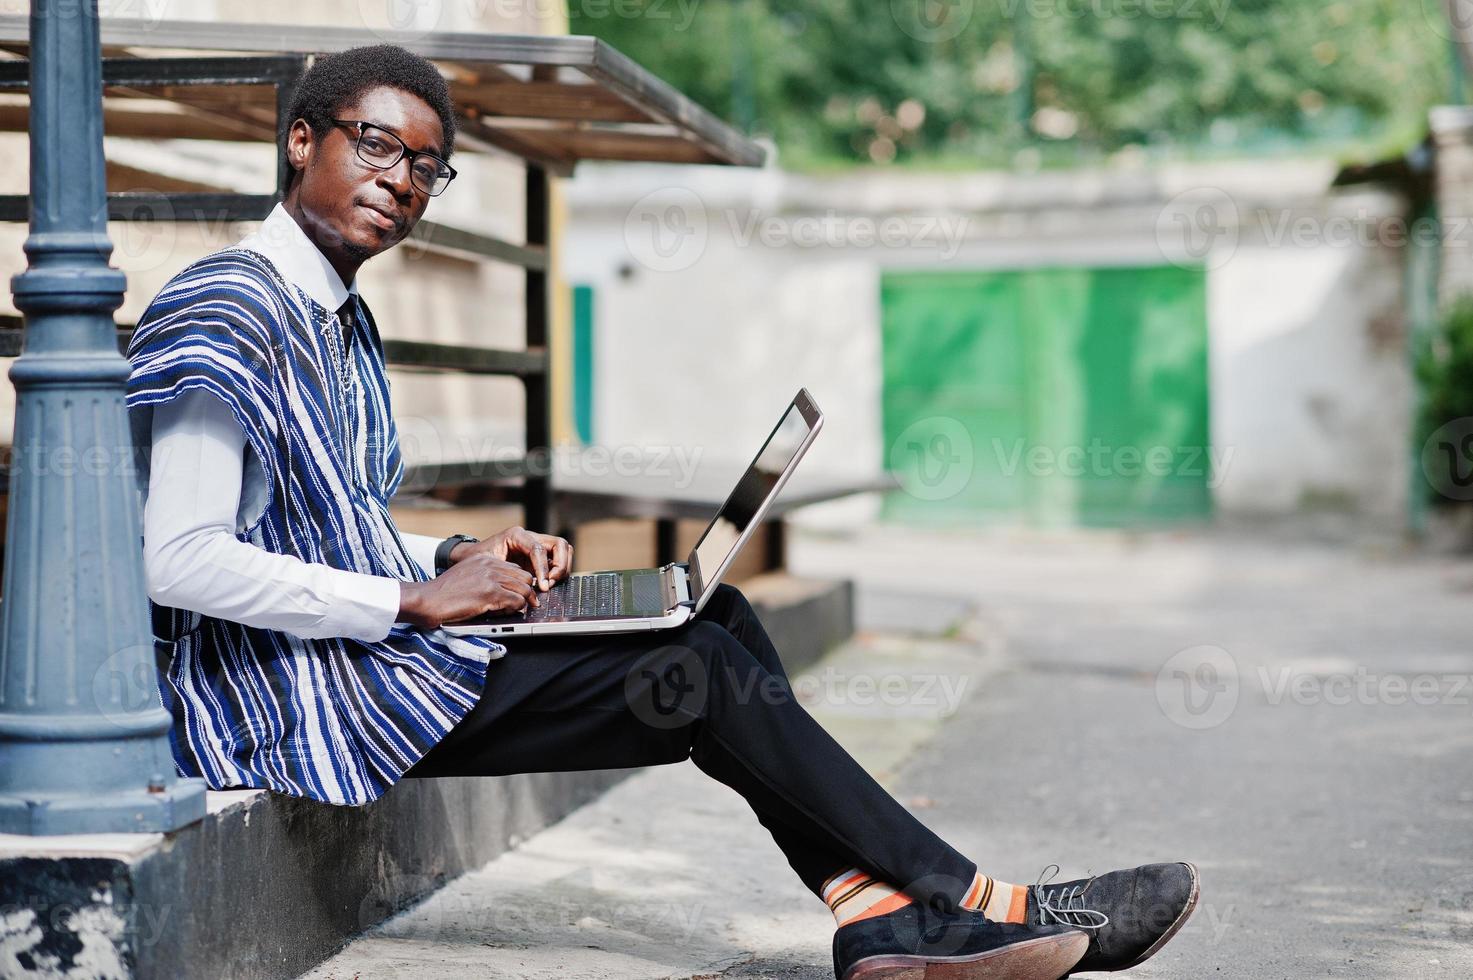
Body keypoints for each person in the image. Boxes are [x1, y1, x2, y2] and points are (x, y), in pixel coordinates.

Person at [124, 45, 1198, 980]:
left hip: (349, 655)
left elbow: (316, 517)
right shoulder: (229, 307)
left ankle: (877, 919)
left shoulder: (331, 315)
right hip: (276, 695)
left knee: (713, 620)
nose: (400, 181)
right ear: (300, 140)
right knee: (698, 668)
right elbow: (176, 558)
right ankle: (980, 903)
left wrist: (457, 550)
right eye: (374, 144)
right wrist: (414, 597)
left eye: (424, 165)